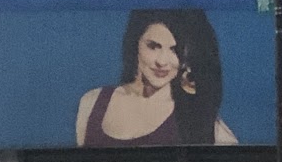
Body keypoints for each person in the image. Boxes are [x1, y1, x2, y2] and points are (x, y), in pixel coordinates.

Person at [76, 8, 237, 146]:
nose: (162, 61)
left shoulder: (198, 119)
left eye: (174, 50)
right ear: (136, 44)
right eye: (153, 46)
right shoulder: (92, 103)